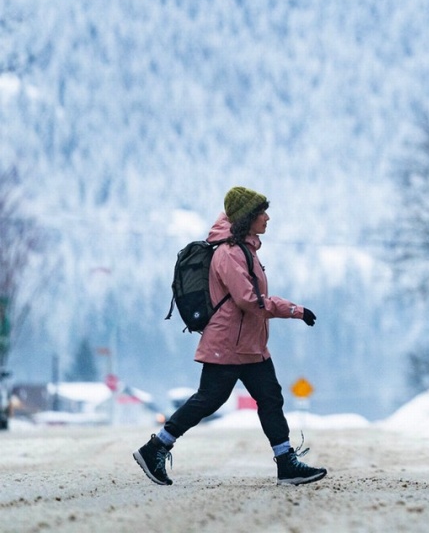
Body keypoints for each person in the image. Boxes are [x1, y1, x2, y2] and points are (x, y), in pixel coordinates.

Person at [133, 186, 327, 486]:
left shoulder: (245, 250)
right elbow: (249, 299)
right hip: (227, 344)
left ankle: (286, 462)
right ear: (247, 217)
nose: (267, 218)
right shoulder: (229, 253)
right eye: (261, 212)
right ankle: (156, 447)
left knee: (270, 397)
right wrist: (294, 310)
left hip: (249, 345)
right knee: (209, 400)